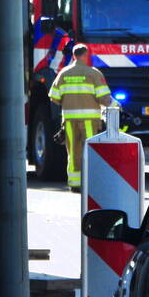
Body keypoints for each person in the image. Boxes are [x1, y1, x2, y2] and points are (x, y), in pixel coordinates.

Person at [48, 44, 113, 191]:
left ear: (73, 56)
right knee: (90, 151)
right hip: (89, 120)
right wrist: (114, 104)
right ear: (85, 55)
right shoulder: (93, 73)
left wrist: (69, 102)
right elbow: (104, 98)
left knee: (73, 151)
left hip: (69, 121)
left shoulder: (63, 73)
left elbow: (54, 97)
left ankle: (75, 183)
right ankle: (90, 183)